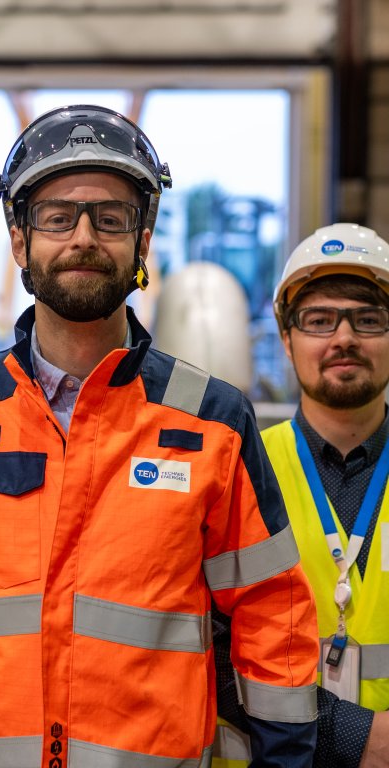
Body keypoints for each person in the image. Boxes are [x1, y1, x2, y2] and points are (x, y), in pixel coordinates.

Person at [0, 105, 318, 768]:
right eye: (58, 217)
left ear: (142, 241)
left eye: (111, 218)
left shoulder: (213, 420)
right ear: (18, 240)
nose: (83, 238)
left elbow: (274, 617)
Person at [214, 222, 389, 768]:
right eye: (318, 321)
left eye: (368, 320)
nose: (344, 339)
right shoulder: (237, 472)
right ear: (285, 338)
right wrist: (354, 735)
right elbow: (210, 646)